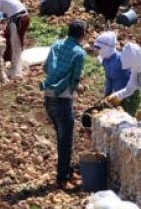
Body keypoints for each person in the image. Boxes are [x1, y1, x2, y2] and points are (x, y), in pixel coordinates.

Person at [40, 20, 87, 190]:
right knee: (65, 140)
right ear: (82, 35)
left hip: (48, 97)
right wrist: (80, 88)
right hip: (63, 100)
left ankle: (67, 170)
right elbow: (74, 81)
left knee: (62, 138)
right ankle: (63, 179)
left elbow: (45, 68)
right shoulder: (79, 53)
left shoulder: (56, 45)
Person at [94, 32, 140, 116]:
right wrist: (107, 96)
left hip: (128, 98)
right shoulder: (105, 60)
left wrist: (121, 96)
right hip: (116, 96)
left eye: (99, 48)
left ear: (107, 48)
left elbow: (133, 82)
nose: (97, 50)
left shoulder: (121, 60)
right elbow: (109, 79)